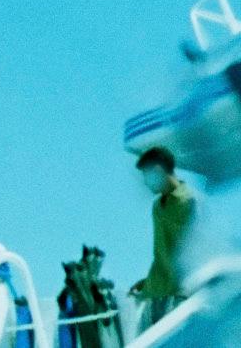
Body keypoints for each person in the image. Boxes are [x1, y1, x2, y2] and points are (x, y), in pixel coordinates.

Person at [128, 147, 197, 326]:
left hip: (182, 295)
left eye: (146, 175)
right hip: (157, 297)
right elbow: (162, 254)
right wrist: (148, 283)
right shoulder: (157, 207)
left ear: (158, 171)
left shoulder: (190, 202)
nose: (145, 182)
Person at [59, 248, 122, 348]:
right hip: (86, 315)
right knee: (91, 340)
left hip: (84, 315)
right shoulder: (84, 274)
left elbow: (61, 299)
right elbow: (98, 293)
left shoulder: (81, 273)